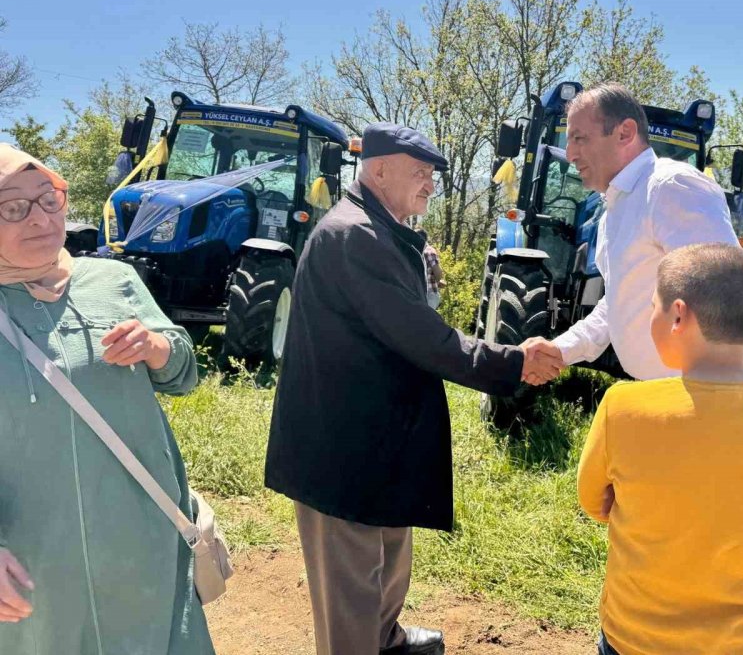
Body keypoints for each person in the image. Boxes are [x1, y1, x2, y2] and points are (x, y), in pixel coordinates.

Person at [264, 123, 562, 655]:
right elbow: (423, 337)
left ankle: (387, 639)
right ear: (378, 169)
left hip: (376, 438)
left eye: (432, 176)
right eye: (419, 173)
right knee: (351, 589)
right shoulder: (355, 235)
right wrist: (514, 362)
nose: (430, 185)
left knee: (387, 559)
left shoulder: (383, 231)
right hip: (342, 448)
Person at [0, 143, 212, 653]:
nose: (40, 218)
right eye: (13, 207)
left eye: (49, 198)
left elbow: (184, 371)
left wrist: (157, 347)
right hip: (32, 554)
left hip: (140, 537)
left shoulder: (113, 279)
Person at [578, 243, 743, 655]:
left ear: (678, 315)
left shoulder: (624, 407)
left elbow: (595, 503)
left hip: (640, 638)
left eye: (653, 305)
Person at [534, 82, 743, 380]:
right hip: (670, 394)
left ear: (625, 133)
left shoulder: (670, 187)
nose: (570, 153)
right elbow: (618, 303)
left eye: (579, 138)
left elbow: (723, 295)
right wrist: (561, 350)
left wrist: (707, 399)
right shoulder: (616, 207)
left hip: (703, 397)